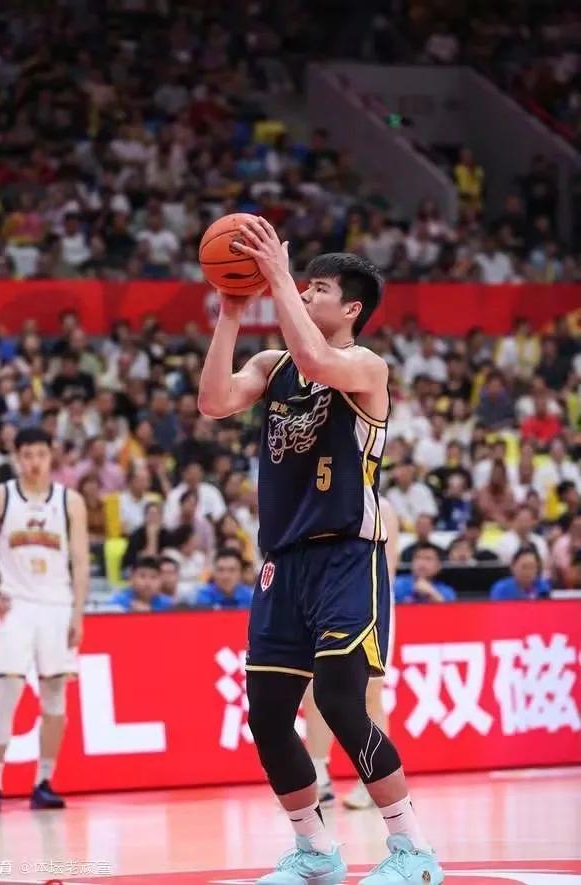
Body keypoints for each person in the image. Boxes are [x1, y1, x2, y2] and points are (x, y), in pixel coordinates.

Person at [199, 223, 442, 885]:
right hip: (282, 561)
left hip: (347, 556)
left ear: (352, 308)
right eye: (302, 286)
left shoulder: (366, 367)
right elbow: (213, 401)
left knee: (339, 700)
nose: (305, 294)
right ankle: (314, 852)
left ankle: (414, 851)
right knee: (267, 714)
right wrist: (229, 314)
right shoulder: (272, 366)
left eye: (319, 289)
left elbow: (316, 361)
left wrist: (277, 278)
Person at [0, 427, 89, 814]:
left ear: (51, 456)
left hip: (57, 606)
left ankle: (43, 781)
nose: (34, 463)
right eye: (27, 455)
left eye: (41, 455)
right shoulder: (0, 496)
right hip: (16, 607)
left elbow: (81, 562)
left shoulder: (70, 501)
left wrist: (77, 613)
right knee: (7, 693)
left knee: (55, 698)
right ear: (17, 458)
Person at [304, 497, 400, 810]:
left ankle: (373, 780)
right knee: (314, 687)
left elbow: (387, 571)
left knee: (369, 692)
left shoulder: (380, 506)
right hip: (321, 605)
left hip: (369, 604)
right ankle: (318, 776)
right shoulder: (318, 499)